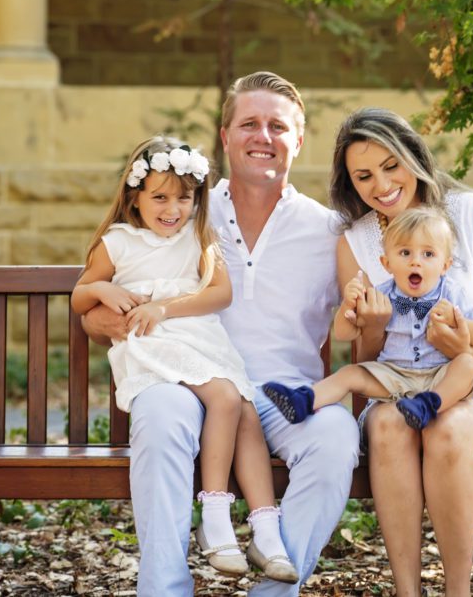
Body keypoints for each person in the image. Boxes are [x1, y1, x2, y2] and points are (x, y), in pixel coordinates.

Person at [81, 73, 360, 596]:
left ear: (299, 139)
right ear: (225, 135)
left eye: (278, 126)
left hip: (285, 395)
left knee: (337, 435)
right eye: (249, 123)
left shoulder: (329, 231)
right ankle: (164, 590)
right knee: (160, 414)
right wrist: (115, 320)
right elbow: (96, 309)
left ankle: (273, 593)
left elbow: (385, 308)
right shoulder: (183, 210)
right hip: (188, 381)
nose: (263, 136)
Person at [330, 107, 473, 596]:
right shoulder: (356, 244)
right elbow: (364, 355)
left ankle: (457, 592)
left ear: (413, 155)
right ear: (351, 183)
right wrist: (374, 327)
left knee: (447, 425)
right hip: (399, 393)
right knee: (388, 425)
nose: (382, 185)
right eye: (364, 176)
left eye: (391, 165)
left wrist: (462, 347)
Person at [71, 135, 296, 582]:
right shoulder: (117, 243)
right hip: (153, 344)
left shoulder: (199, 236)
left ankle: (266, 530)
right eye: (160, 197)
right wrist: (102, 288)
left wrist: (165, 307)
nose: (172, 208)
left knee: (245, 411)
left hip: (198, 339)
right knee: (227, 400)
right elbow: (80, 297)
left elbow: (220, 293)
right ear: (135, 198)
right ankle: (214, 517)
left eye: (184, 198)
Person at [261, 205, 473, 429]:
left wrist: (456, 321)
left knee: (468, 364)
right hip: (393, 375)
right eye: (405, 253)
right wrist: (348, 305)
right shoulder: (380, 295)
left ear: (445, 265)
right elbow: (344, 333)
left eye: (428, 254)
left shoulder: (452, 293)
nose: (416, 261)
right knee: (349, 373)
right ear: (387, 264)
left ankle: (427, 406)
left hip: (439, 375)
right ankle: (303, 401)